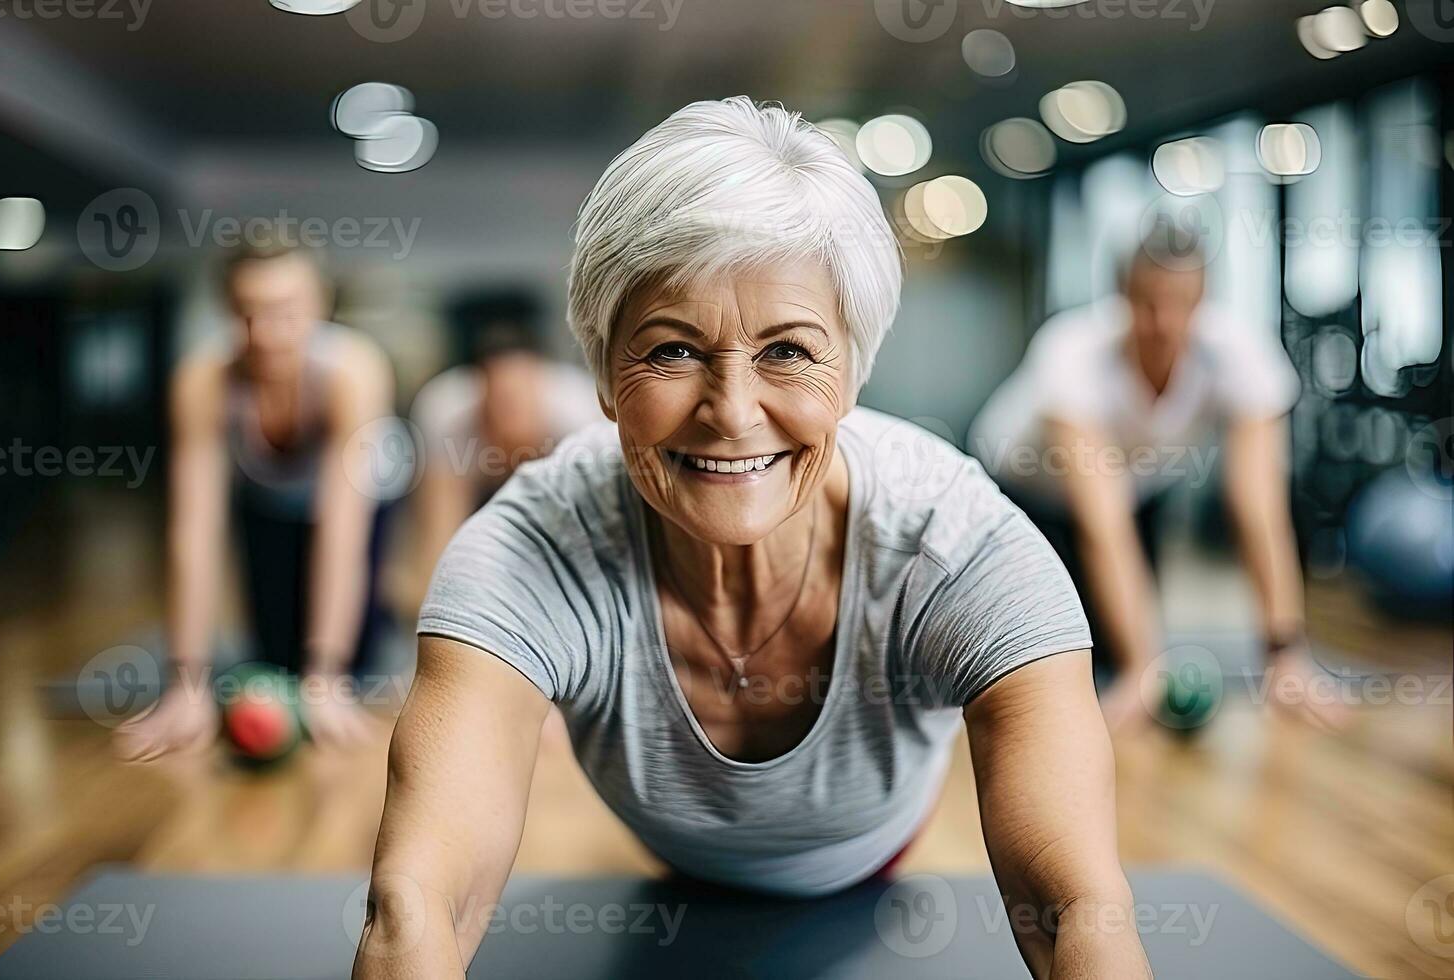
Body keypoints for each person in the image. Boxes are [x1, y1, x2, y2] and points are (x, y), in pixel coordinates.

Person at [353, 98, 1151, 979]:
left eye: (788, 352)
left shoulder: (960, 546)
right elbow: (420, 902)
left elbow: (1078, 909)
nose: (732, 412)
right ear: (603, 376)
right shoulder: (529, 550)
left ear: (853, 374)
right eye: (671, 351)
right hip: (673, 861)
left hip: (867, 856)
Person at [969, 231, 1344, 734]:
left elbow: (1259, 507)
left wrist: (1285, 653)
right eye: (1148, 304)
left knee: (1125, 657)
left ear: (1203, 301)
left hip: (1136, 489)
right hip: (1023, 494)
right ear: (1123, 295)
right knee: (1057, 658)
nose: (1164, 323)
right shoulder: (1072, 351)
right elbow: (1103, 523)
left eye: (1181, 305)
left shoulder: (1240, 353)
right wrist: (1142, 666)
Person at [114, 243, 395, 762]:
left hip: (357, 506)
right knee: (272, 661)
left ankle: (370, 632)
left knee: (347, 671)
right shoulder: (203, 379)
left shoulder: (353, 370)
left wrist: (326, 676)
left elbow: (341, 531)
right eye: (248, 314)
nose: (266, 335)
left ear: (319, 305)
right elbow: (193, 534)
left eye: (286, 312)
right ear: (226, 310)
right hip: (266, 503)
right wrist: (188, 684)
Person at [408, 288, 603, 601]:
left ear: (539, 385)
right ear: (480, 390)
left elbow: (594, 537)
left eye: (518, 401)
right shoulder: (445, 410)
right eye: (499, 401)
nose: (508, 415)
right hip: (477, 492)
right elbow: (437, 532)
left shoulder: (580, 414)